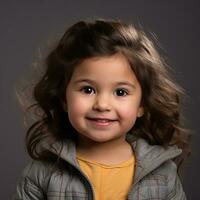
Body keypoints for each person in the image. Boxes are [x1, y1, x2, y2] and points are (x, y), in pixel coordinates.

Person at [13, 18, 190, 200]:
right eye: (87, 90)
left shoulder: (163, 176)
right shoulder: (41, 175)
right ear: (64, 99)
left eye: (120, 92)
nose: (102, 105)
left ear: (142, 105)